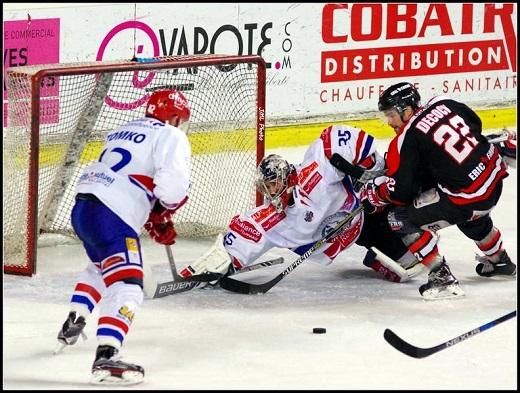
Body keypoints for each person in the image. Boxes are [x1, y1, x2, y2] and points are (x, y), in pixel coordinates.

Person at [55, 89, 192, 385]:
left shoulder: (123, 129)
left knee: (101, 266)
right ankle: (106, 357)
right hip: (112, 214)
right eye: (178, 119)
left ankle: (75, 317)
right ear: (173, 116)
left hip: (84, 206)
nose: (179, 124)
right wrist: (162, 214)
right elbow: (173, 189)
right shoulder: (171, 135)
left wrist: (154, 213)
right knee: (129, 284)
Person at [179, 125, 420, 285]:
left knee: (407, 243)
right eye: (266, 187)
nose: (269, 192)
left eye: (272, 185)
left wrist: (368, 172)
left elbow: (344, 142)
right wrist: (219, 264)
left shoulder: (315, 171)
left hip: (363, 216)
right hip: (337, 243)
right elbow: (247, 233)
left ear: (284, 178)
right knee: (396, 271)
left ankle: (420, 238)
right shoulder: (274, 216)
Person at [359, 82, 516, 300]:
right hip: (494, 180)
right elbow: (475, 124)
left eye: (391, 114)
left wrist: (377, 193)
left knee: (398, 218)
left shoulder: (406, 139)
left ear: (407, 109)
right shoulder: (443, 102)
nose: (389, 121)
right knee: (467, 209)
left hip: (468, 199)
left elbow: (402, 192)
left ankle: (441, 276)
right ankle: (499, 259)